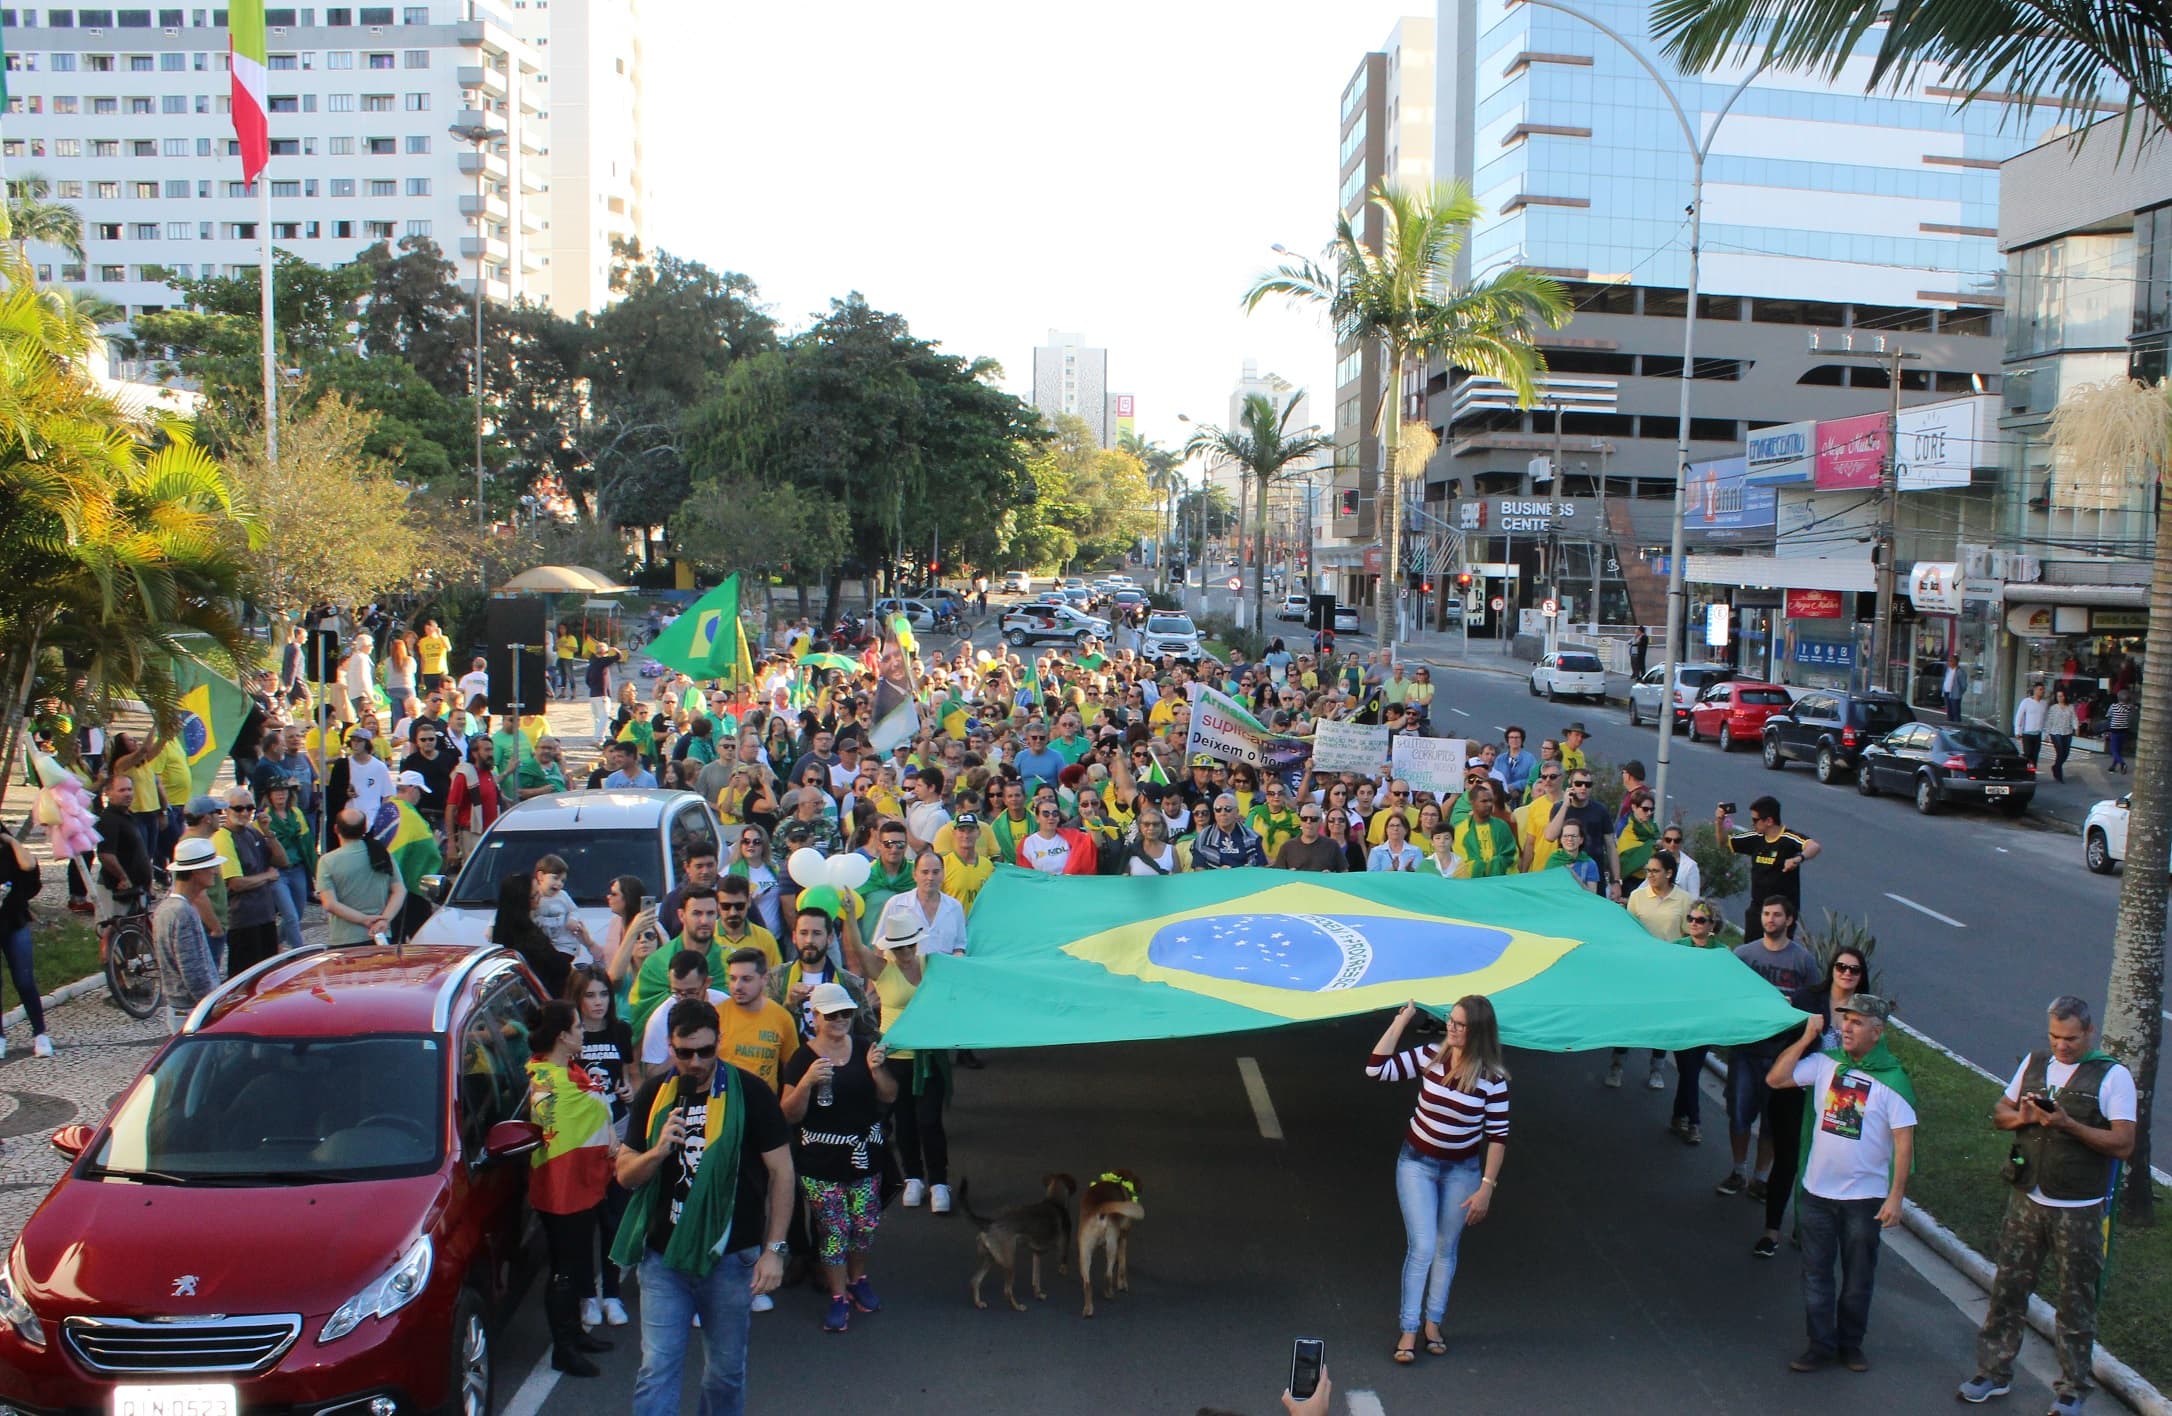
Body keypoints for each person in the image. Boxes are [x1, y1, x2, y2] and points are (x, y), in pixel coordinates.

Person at [613, 998, 794, 1416]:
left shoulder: (750, 1093)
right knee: (656, 1369)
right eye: (684, 1053)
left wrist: (775, 1250)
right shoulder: (656, 1095)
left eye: (706, 1051)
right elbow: (625, 1175)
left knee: (725, 1373)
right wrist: (657, 1152)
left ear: (720, 1042)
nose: (695, 1062)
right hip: (664, 1259)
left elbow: (782, 1173)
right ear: (670, 1047)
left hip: (730, 1259)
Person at [1960, 996, 2137, 1414]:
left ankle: (2072, 1389)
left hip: (2079, 1209)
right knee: (2007, 1290)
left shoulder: (2112, 1077)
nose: (2062, 1046)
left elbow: (2124, 1143)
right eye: (2055, 1036)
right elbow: (1999, 1114)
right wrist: (2023, 1117)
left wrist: (2069, 1125)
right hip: (2026, 1199)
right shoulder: (2036, 1064)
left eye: (2071, 1038)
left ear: (2088, 1033)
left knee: (2076, 1302)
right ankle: (1993, 1372)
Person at [1766, 995, 1916, 1374]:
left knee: (1857, 1278)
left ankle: (1850, 1344)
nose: (1847, 1027)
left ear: (1877, 1032)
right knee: (1815, 1275)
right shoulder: (1825, 1064)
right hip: (1817, 1193)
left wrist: (1895, 1197)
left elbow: (1903, 1143)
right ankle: (1820, 1345)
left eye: (1857, 1022)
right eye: (1845, 1020)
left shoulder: (1893, 1082)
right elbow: (1777, 1078)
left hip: (1863, 1201)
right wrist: (1803, 1040)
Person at [1366, 995, 1509, 1365]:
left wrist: (1486, 1188)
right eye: (1451, 1020)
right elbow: (1376, 1069)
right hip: (1416, 1164)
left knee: (1447, 1248)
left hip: (1463, 1171)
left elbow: (1498, 1136)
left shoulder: (1493, 1079)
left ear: (1477, 1031)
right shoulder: (1431, 1056)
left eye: (1460, 1024)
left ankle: (1434, 1324)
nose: (1452, 1027)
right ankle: (1409, 1328)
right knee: (1424, 1246)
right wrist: (1402, 1020)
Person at [779, 983, 898, 1333]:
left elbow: (890, 1095)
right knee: (834, 1231)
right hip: (821, 1161)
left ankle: (857, 1279)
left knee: (865, 1226)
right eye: (832, 1015)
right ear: (814, 1017)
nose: (840, 1020)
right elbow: (788, 1114)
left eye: (845, 1013)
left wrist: (878, 1071)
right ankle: (836, 1296)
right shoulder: (803, 1059)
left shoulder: (864, 1048)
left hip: (864, 1157)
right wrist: (805, 1084)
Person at [526, 1000, 618, 1376]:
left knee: (578, 1259)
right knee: (564, 1269)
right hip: (561, 1187)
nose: (583, 1031)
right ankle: (563, 1348)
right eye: (578, 1027)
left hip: (577, 1183)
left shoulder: (570, 1074)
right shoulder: (547, 1082)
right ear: (563, 1035)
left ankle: (575, 1335)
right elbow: (556, 1132)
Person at [1717, 898, 1822, 1201]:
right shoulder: (1744, 955)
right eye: (1766, 914)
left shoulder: (1802, 962)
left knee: (1771, 1124)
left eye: (1777, 915)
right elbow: (1729, 995)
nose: (1770, 919)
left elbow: (1813, 1004)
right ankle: (1738, 1170)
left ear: (1789, 920)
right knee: (1739, 1115)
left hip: (1783, 1056)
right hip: (1747, 1053)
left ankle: (1760, 1178)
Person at [863, 911, 952, 1213]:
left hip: (929, 1057)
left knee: (929, 1120)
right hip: (896, 1058)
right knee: (905, 1123)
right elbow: (854, 951)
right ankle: (913, 1177)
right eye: (898, 948)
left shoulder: (933, 965)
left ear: (916, 944)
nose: (904, 953)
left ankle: (939, 1182)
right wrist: (849, 916)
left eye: (908, 946)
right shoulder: (883, 971)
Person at [567, 965, 635, 1327]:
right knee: (584, 1220)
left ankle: (611, 1293)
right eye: (590, 995)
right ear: (576, 999)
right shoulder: (569, 1036)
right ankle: (585, 1296)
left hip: (617, 1130)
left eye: (604, 994)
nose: (598, 1002)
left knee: (614, 1217)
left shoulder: (620, 1030)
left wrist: (628, 1091)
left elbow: (629, 1076)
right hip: (581, 1137)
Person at [212, 786, 290, 975]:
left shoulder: (252, 832)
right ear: (226, 810)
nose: (245, 812)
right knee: (245, 977)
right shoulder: (223, 838)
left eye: (250, 808)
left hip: (265, 916)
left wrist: (268, 832)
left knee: (268, 974)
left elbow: (282, 862)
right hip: (243, 920)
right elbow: (236, 883)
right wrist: (268, 876)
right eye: (239, 808)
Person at [153, 837, 226, 1032]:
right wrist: (215, 1006)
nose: (215, 872)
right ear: (196, 872)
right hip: (191, 1012)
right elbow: (193, 972)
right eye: (211, 866)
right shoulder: (183, 912)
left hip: (180, 1009)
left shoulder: (166, 908)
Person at [1721, 796, 1819, 937]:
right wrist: (1719, 822)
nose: (1752, 823)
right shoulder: (1755, 838)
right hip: (1757, 910)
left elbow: (1813, 846)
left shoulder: (1788, 838)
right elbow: (1724, 842)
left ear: (1769, 821)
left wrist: (1798, 858)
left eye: (1755, 820)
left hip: (1781, 913)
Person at [1667, 903, 1724, 1145]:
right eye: (1690, 918)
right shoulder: (1678, 948)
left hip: (1706, 1022)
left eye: (1700, 920)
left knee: (1690, 1071)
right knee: (1689, 1071)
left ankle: (1678, 1115)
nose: (1693, 923)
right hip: (1681, 1021)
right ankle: (1694, 1122)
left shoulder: (1721, 952)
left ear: (1712, 925)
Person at [316, 808, 405, 947]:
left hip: (345, 937)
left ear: (335, 829)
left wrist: (364, 920)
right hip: (380, 935)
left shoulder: (327, 861)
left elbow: (329, 904)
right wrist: (385, 919)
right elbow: (400, 890)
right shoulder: (381, 853)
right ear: (364, 828)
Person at [0, 823, 51, 1058]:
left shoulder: (8, 850)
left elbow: (29, 866)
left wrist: (10, 841)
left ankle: (40, 1033)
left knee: (24, 980)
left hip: (13, 922)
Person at [879, 850, 969, 954]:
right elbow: (880, 946)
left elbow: (959, 946)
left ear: (943, 874)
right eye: (925, 872)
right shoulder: (896, 904)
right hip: (906, 969)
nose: (930, 878)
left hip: (944, 969)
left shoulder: (955, 907)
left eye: (936, 872)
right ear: (915, 875)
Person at [1451, 783, 1519, 878]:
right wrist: (1483, 866)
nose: (1489, 804)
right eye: (1484, 801)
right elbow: (1461, 860)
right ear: (1472, 802)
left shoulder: (1502, 826)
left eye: (1491, 801)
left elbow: (1512, 855)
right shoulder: (1462, 830)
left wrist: (1495, 864)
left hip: (1499, 882)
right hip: (1473, 885)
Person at [1193, 793, 1267, 869]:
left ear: (1237, 812)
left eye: (1228, 809)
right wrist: (1217, 873)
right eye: (1218, 809)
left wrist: (1248, 872)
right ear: (1214, 813)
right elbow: (1199, 870)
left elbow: (1261, 868)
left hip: (1245, 879)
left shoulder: (1253, 837)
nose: (1223, 813)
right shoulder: (1203, 837)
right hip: (1214, 880)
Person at [2045, 687, 2079, 784]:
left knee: (2066, 753)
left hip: (2067, 732)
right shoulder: (2053, 708)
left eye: (2061, 696)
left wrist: (2076, 728)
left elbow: (2074, 718)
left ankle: (2055, 767)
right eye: (2058, 696)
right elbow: (2049, 721)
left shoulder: (2070, 707)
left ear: (2065, 696)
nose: (2060, 698)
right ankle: (2059, 774)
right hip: (2056, 732)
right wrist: (2047, 733)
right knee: (2060, 753)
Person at [2013, 682, 2047, 770]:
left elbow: (2045, 719)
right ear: (2035, 690)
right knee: (2028, 754)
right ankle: (2024, 770)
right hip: (2027, 733)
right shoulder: (2026, 702)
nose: (2042, 692)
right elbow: (2019, 717)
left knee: (2035, 755)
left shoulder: (2044, 704)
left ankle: (2032, 772)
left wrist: (2046, 732)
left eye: (2043, 690)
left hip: (2038, 734)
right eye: (2040, 689)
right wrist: (2018, 732)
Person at [2105, 688, 2134, 773]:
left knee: (2113, 750)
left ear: (2118, 698)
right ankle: (2113, 766)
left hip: (2115, 730)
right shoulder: (2129, 708)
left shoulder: (2113, 706)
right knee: (2118, 750)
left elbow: (2108, 715)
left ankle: (2122, 764)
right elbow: (2130, 716)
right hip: (2124, 730)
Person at [1942, 654, 1969, 720]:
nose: (1949, 662)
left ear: (1956, 662)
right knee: (1949, 711)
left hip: (1955, 694)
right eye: (1948, 661)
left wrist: (1959, 693)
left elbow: (1964, 685)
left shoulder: (1960, 672)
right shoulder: (1948, 670)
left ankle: (1957, 727)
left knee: (1956, 712)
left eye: (1951, 661)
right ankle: (1949, 725)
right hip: (1946, 692)